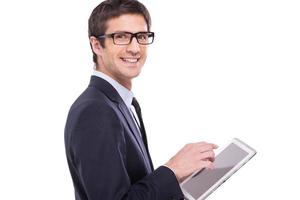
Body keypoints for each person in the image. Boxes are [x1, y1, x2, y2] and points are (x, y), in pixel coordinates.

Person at [64, 0, 218, 199]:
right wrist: (172, 170)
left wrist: (179, 184)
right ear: (97, 45)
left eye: (142, 36)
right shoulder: (95, 111)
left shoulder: (121, 104)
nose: (135, 48)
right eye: (121, 37)